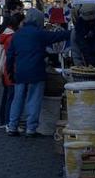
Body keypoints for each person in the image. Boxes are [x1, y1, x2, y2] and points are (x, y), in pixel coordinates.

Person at [6, 8, 69, 136]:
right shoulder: (40, 34)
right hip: (36, 71)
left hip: (20, 72)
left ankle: (12, 126)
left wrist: (10, 72)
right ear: (38, 20)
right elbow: (57, 36)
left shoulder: (17, 34)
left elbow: (10, 55)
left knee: (17, 99)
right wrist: (72, 32)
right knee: (33, 100)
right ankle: (31, 128)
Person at [0, 10, 24, 129]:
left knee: (9, 96)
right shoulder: (11, 37)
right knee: (11, 97)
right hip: (11, 70)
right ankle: (9, 122)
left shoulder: (6, 35)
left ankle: (6, 121)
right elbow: (13, 54)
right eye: (23, 22)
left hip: (6, 69)